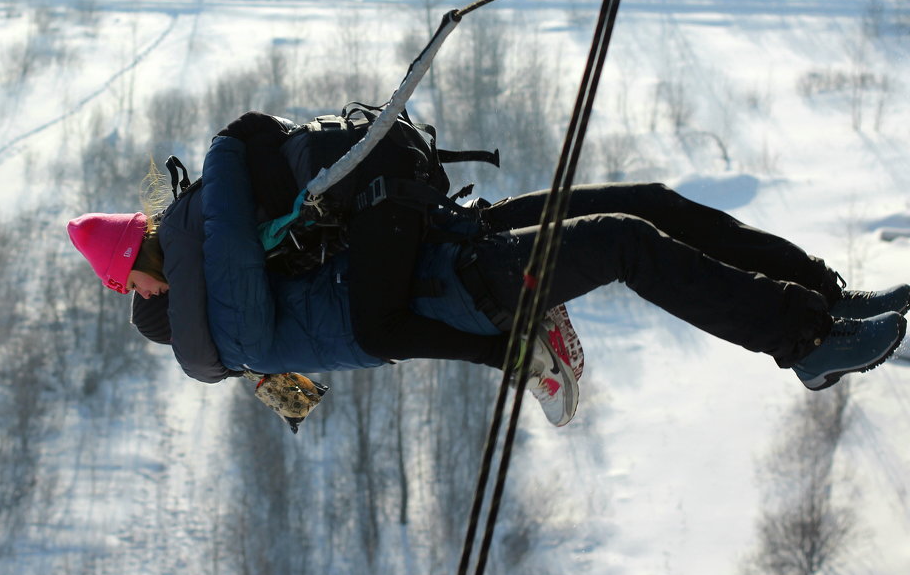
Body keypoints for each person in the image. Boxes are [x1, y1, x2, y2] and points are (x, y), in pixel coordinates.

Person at [67, 112, 908, 424]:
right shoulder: (210, 328)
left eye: (136, 276)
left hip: (441, 241)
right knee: (624, 241)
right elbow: (294, 325)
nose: (142, 292)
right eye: (138, 282)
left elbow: (277, 235)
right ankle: (804, 343)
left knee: (646, 202)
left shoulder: (213, 270)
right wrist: (217, 159)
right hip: (456, 283)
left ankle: (824, 302)